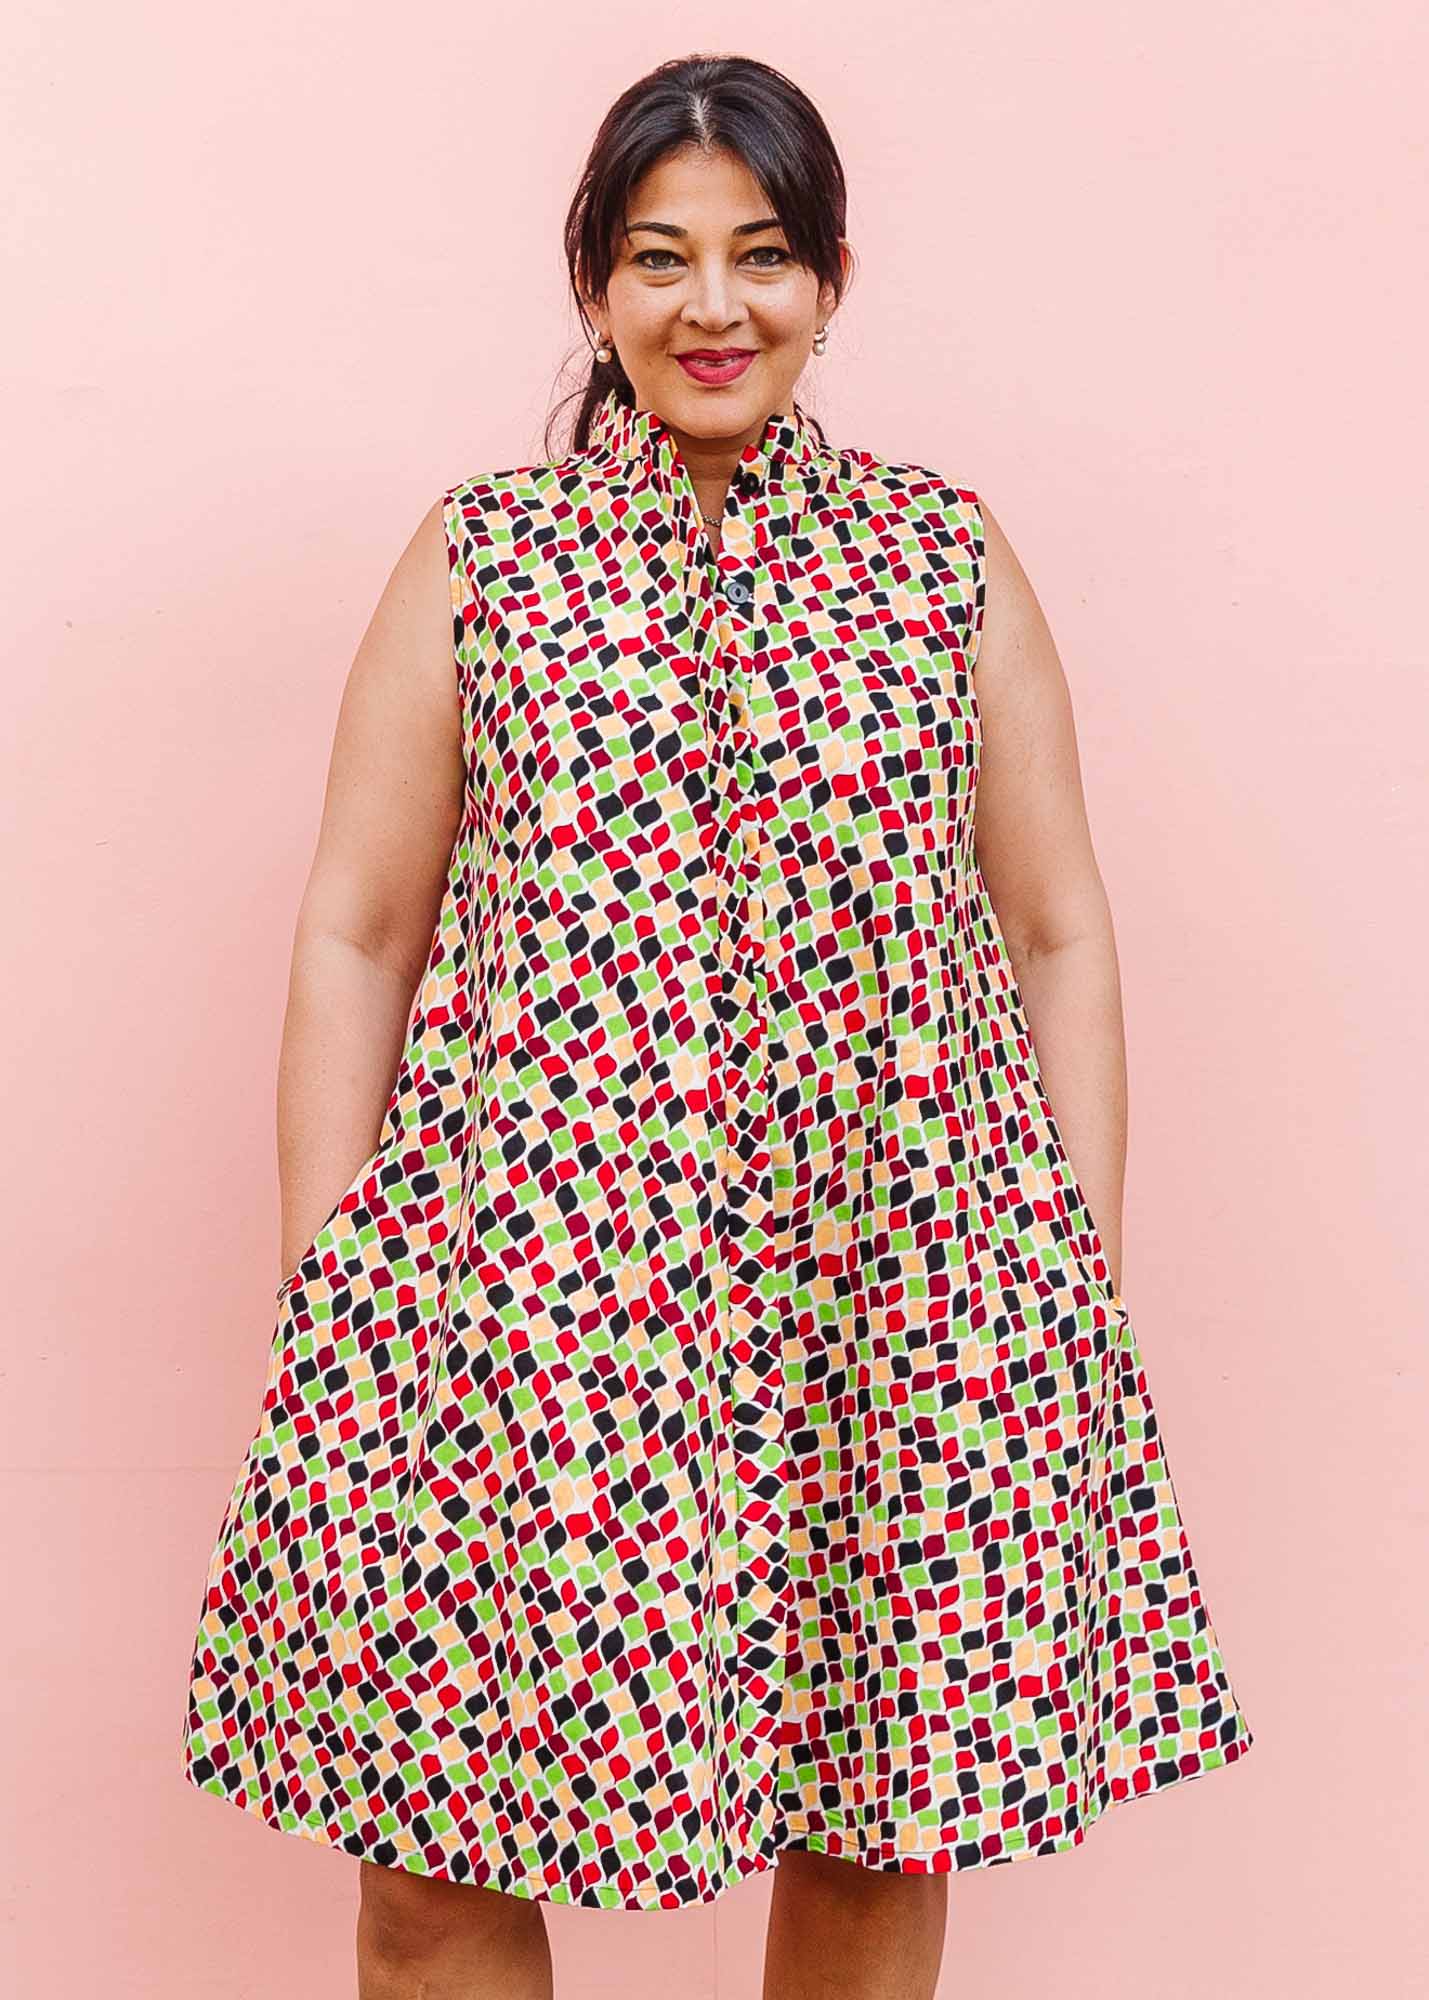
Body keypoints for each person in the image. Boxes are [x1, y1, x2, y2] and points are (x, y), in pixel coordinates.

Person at [179, 51, 1254, 2000]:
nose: (713, 305)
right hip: (526, 1314)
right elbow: (356, 930)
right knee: (426, 1860)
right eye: (659, 257)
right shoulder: (484, 560)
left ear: (830, 278)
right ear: (593, 284)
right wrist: (326, 1282)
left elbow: (1054, 926)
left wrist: (1065, 1284)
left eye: (761, 254)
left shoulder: (940, 559)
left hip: (889, 1299)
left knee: (872, 1819)